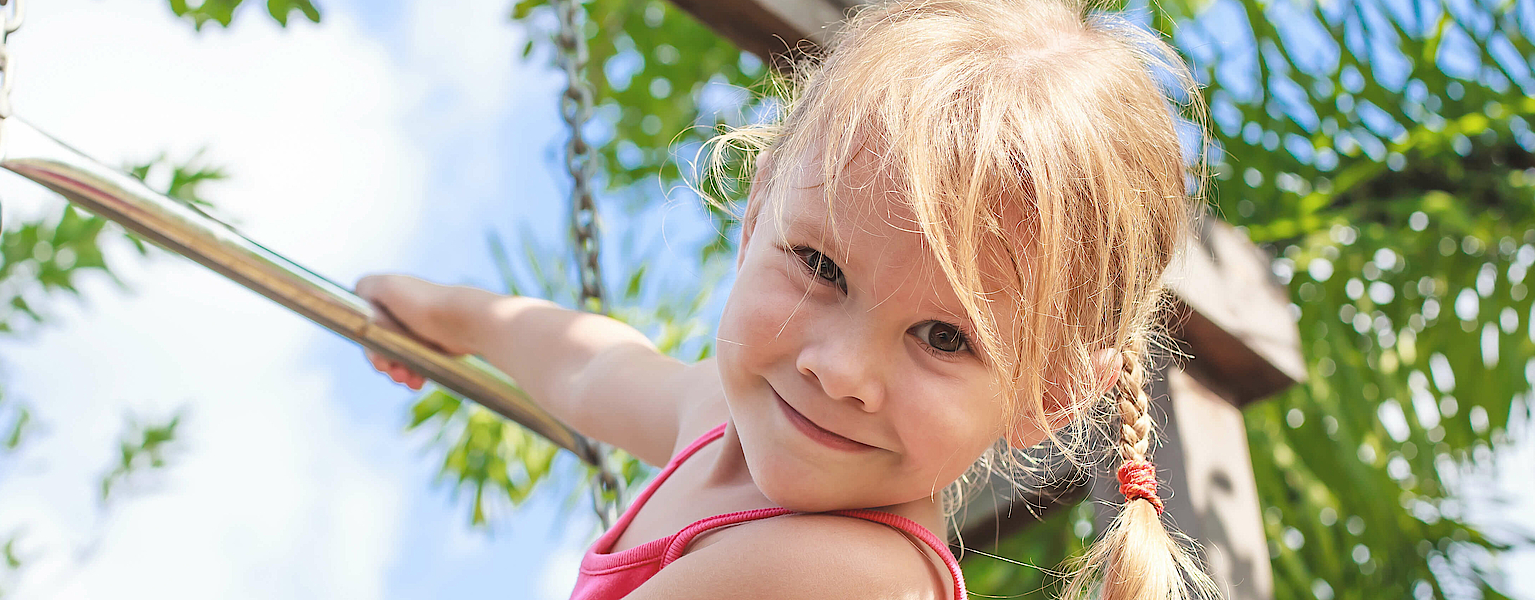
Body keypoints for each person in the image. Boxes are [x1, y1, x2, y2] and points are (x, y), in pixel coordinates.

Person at [355, 0, 1217, 597]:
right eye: (821, 266)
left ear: (1050, 397)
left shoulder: (840, 576)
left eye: (944, 338)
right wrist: (454, 316)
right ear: (757, 207)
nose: (841, 370)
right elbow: (596, 369)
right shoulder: (718, 429)